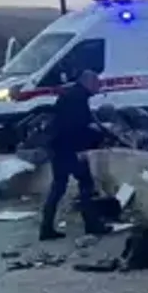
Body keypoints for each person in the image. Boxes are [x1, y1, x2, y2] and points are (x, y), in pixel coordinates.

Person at [40, 70, 113, 241]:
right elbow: (76, 128)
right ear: (87, 82)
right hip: (70, 149)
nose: (99, 87)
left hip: (58, 147)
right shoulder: (78, 99)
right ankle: (91, 224)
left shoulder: (72, 95)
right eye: (97, 83)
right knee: (86, 184)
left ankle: (46, 227)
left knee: (58, 188)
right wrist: (91, 143)